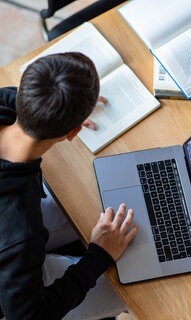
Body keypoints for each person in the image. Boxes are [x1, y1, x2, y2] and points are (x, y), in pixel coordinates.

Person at [0, 52, 138, 319]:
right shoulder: (21, 232)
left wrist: (57, 108)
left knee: (91, 207)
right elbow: (29, 315)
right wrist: (98, 255)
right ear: (74, 132)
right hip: (15, 300)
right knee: (130, 283)